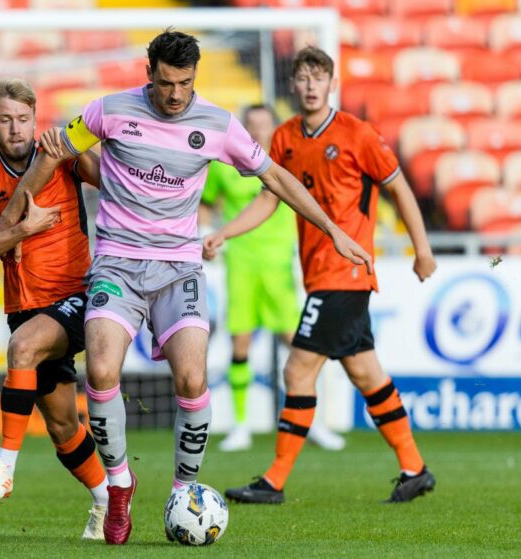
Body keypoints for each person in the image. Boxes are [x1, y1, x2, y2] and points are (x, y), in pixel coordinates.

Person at [38, 29, 372, 545]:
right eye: (167, 83)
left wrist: (332, 228)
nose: (176, 95)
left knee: (192, 380)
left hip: (178, 269)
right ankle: (120, 484)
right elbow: (58, 151)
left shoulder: (217, 124)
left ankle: (183, 491)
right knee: (101, 370)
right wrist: (17, 215)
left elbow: (277, 179)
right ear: (149, 72)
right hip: (118, 265)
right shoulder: (108, 111)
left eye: (186, 83)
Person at [207, 46, 438, 504]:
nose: (311, 86)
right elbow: (269, 199)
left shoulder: (359, 134)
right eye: (303, 78)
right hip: (320, 275)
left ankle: (273, 481)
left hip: (346, 273)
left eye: (319, 77)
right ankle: (414, 469)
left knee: (297, 370)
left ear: (332, 83)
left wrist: (423, 249)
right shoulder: (285, 138)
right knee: (367, 375)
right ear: (293, 84)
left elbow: (399, 188)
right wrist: (225, 233)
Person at [0, 78, 109, 540]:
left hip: (78, 295)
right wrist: (24, 229)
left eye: (23, 119)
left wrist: (74, 147)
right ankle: (108, 499)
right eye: (5, 120)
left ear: (34, 119)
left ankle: (4, 467)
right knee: (64, 428)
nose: (16, 128)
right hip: (25, 306)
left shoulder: (58, 160)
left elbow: (107, 179)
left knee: (21, 349)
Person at [200, 105, 345, 452]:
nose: (259, 132)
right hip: (242, 266)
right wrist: (207, 232)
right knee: (240, 344)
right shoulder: (226, 167)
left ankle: (314, 422)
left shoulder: (285, 164)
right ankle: (241, 426)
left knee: (300, 346)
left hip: (279, 266)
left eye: (264, 126)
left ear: (275, 129)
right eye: (252, 126)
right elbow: (205, 203)